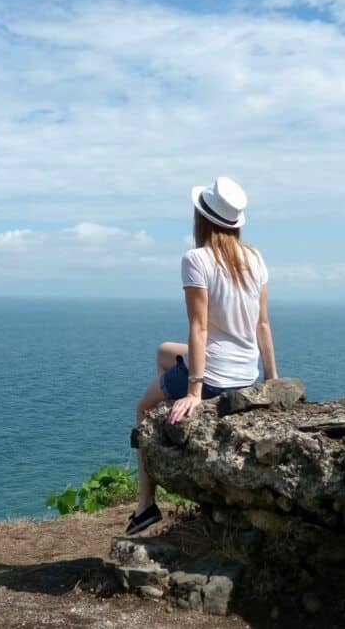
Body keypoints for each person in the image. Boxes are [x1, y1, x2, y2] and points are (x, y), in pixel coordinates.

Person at [127, 176, 278, 536]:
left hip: (212, 377)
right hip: (246, 373)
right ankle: (179, 387)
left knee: (143, 408)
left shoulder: (197, 259)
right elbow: (263, 325)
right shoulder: (255, 259)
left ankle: (146, 504)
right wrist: (272, 381)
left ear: (202, 218)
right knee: (164, 352)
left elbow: (199, 328)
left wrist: (194, 391)